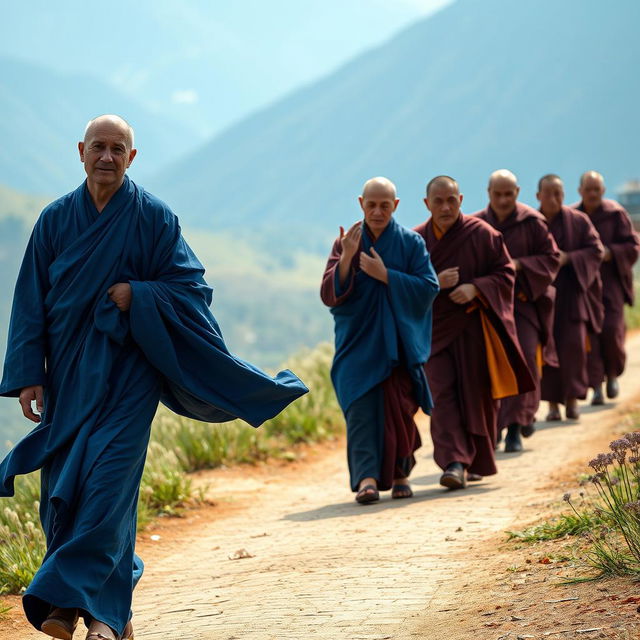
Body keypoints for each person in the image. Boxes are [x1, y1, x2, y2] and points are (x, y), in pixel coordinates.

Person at [0, 115, 308, 640]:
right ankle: (102, 614)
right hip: (71, 374)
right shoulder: (54, 221)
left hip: (130, 373)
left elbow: (191, 289)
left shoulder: (155, 218)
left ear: (132, 157)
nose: (107, 156)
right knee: (65, 487)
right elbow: (30, 302)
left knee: (109, 484)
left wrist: (138, 296)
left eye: (118, 148)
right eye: (98, 146)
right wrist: (31, 374)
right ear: (80, 151)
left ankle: (63, 597)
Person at [321, 177, 439, 504]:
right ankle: (367, 480)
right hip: (356, 344)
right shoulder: (346, 242)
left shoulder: (410, 243)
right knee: (359, 410)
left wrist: (386, 276)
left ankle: (401, 474)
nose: (377, 211)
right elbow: (330, 295)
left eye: (384, 205)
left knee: (398, 411)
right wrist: (346, 257)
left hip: (397, 345)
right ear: (361, 203)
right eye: (371, 204)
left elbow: (429, 288)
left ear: (396, 206)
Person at [414, 176, 534, 489]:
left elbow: (505, 273)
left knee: (476, 397)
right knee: (441, 396)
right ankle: (454, 462)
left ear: (461, 199)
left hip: (476, 330)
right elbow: (404, 288)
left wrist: (476, 288)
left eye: (451, 200)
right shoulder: (416, 242)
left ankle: (475, 460)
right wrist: (434, 283)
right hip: (434, 334)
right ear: (426, 204)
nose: (445, 207)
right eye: (438, 201)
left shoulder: (483, 235)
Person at [474, 170, 560, 452]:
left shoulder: (533, 223)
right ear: (488, 193)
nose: (502, 199)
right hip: (489, 309)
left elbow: (551, 259)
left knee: (523, 362)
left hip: (523, 305)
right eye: (497, 194)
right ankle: (496, 426)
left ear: (518, 192)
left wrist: (521, 265)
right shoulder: (477, 225)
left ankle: (515, 428)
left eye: (508, 193)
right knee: (490, 367)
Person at [537, 174, 604, 421]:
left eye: (558, 194)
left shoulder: (578, 220)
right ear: (538, 196)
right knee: (547, 350)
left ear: (564, 195)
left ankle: (573, 399)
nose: (554, 199)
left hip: (573, 294)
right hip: (542, 297)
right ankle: (553, 404)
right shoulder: (533, 223)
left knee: (574, 348)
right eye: (549, 193)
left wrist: (569, 259)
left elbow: (595, 250)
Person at [572, 171, 640, 404]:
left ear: (603, 191)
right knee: (589, 338)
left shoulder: (615, 214)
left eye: (596, 189)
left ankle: (612, 375)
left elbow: (632, 246)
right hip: (584, 287)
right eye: (588, 189)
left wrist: (611, 253)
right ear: (580, 191)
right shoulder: (573, 217)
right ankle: (597, 386)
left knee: (611, 331)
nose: (592, 194)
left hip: (610, 285)